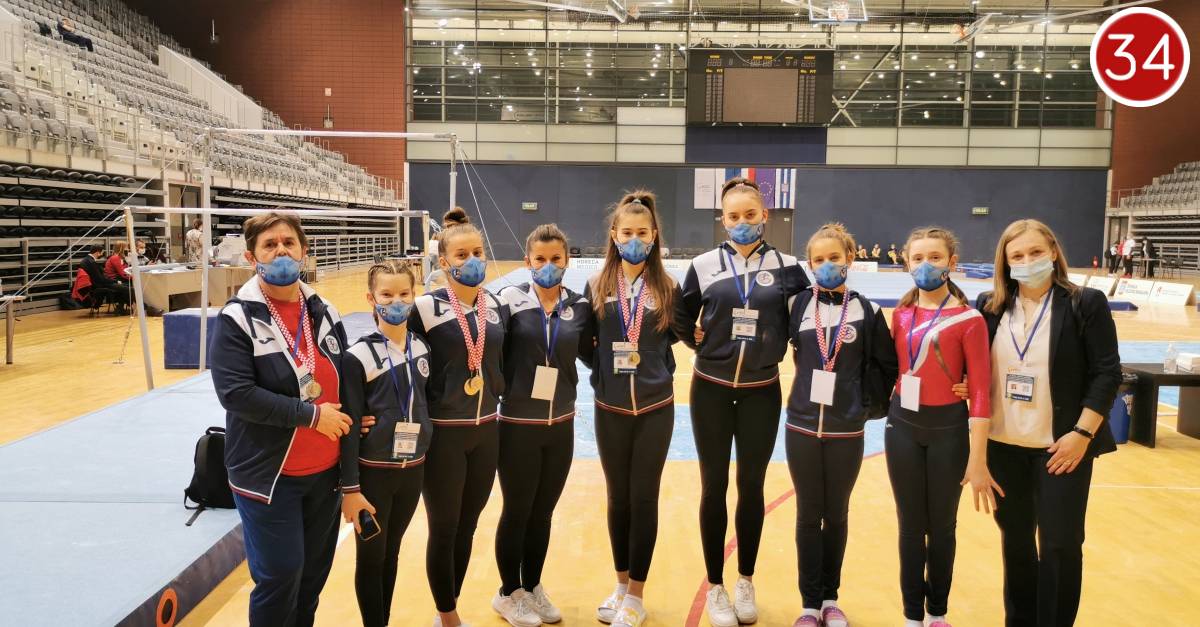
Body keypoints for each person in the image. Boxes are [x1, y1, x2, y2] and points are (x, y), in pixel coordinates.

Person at [971, 219, 1121, 627]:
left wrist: (1083, 434)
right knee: (1016, 543)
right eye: (1017, 255)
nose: (1027, 261)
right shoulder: (989, 306)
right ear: (1005, 262)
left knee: (1060, 545)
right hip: (1004, 447)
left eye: (1035, 252)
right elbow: (977, 373)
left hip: (1063, 448)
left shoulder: (1084, 303)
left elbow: (1107, 373)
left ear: (1053, 251)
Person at [674, 176, 809, 627]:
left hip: (761, 392)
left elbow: (807, 323)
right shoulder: (703, 265)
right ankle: (715, 585)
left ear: (764, 215)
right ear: (723, 219)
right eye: (733, 216)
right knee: (713, 487)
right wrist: (697, 341)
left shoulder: (789, 267)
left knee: (752, 487)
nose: (742, 222)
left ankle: (745, 580)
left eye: (750, 214)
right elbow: (680, 316)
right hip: (710, 389)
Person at [209, 212, 353, 627]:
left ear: (304, 251)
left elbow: (345, 378)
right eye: (269, 245)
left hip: (324, 474)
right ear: (252, 257)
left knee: (311, 579)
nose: (281, 251)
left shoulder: (324, 310)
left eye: (289, 243)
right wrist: (311, 416)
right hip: (268, 475)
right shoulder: (238, 318)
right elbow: (236, 394)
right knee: (280, 576)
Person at [785, 223, 898, 627]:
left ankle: (830, 599)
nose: (827, 265)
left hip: (846, 430)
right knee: (807, 515)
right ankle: (808, 605)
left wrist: (862, 406)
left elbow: (887, 367)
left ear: (850, 258)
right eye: (819, 260)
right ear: (810, 264)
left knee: (835, 514)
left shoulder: (868, 311)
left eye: (834, 257)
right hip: (801, 426)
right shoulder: (797, 305)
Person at [887, 226, 995, 627]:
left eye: (935, 258)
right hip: (902, 427)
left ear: (952, 262)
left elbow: (980, 393)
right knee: (910, 527)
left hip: (949, 431)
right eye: (918, 258)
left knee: (943, 527)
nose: (926, 265)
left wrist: (978, 459)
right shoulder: (900, 315)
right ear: (906, 263)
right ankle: (912, 616)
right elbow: (887, 369)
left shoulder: (970, 319)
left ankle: (937, 613)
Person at [585, 190, 682, 627]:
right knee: (617, 498)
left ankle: (638, 595)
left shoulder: (669, 287)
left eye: (642, 232)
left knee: (644, 498)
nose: (635, 239)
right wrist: (607, 375)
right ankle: (621, 585)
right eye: (627, 233)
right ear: (614, 234)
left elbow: (676, 338)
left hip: (655, 410)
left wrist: (654, 370)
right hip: (610, 409)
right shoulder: (597, 285)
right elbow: (587, 344)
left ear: (654, 235)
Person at [492, 224, 595, 626]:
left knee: (543, 512)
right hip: (517, 423)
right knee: (517, 510)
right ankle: (508, 592)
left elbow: (592, 354)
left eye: (556, 259)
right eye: (540, 259)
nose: (548, 266)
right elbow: (487, 350)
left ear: (567, 261)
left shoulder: (579, 306)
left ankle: (532, 585)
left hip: (561, 424)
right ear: (527, 261)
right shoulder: (508, 300)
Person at [409, 218, 509, 627]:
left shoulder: (496, 305)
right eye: (462, 254)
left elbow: (504, 362)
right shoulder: (424, 309)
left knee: (468, 525)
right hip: (444, 435)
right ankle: (447, 616)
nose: (472, 260)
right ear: (444, 261)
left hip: (487, 431)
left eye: (477, 252)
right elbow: (406, 367)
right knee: (445, 527)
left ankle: (451, 606)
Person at [338, 260, 431, 627]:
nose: (396, 301)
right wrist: (350, 487)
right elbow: (349, 427)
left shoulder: (421, 347)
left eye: (404, 294)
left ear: (414, 295)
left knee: (391, 553)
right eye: (387, 294)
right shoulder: (356, 357)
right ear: (371, 299)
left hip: (412, 471)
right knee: (371, 557)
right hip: (374, 474)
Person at [425, 207, 471, 291]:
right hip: (451, 268)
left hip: (460, 270)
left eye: (448, 226)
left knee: (431, 276)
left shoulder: (463, 237)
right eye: (446, 227)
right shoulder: (449, 236)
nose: (446, 229)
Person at [80, 245, 129, 312]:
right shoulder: (92, 262)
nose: (102, 254)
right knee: (126, 288)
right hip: (98, 285)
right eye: (102, 253)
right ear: (98, 252)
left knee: (123, 286)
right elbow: (101, 279)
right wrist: (115, 281)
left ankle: (121, 307)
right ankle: (127, 307)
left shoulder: (86, 260)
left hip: (95, 284)